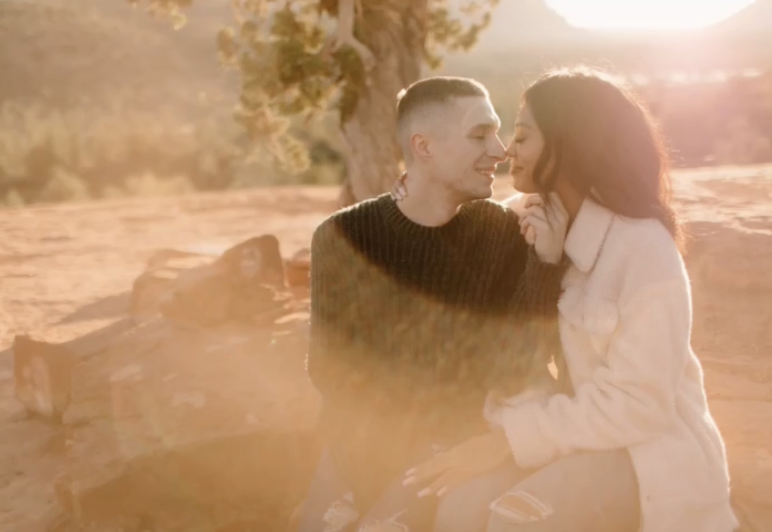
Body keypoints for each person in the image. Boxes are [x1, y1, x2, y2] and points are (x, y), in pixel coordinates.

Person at [397, 66, 738, 532]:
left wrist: (507, 441)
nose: (507, 150)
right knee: (458, 509)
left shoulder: (644, 251)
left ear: (568, 145)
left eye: (522, 135)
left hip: (644, 452)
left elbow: (639, 407)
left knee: (515, 520)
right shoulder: (519, 221)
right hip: (557, 437)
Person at [299, 76, 570, 532]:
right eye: (479, 134)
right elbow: (330, 369)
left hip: (452, 445)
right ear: (423, 146)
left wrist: (544, 264)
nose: (500, 149)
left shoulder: (500, 233)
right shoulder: (342, 236)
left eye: (498, 132)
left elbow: (511, 366)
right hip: (359, 443)